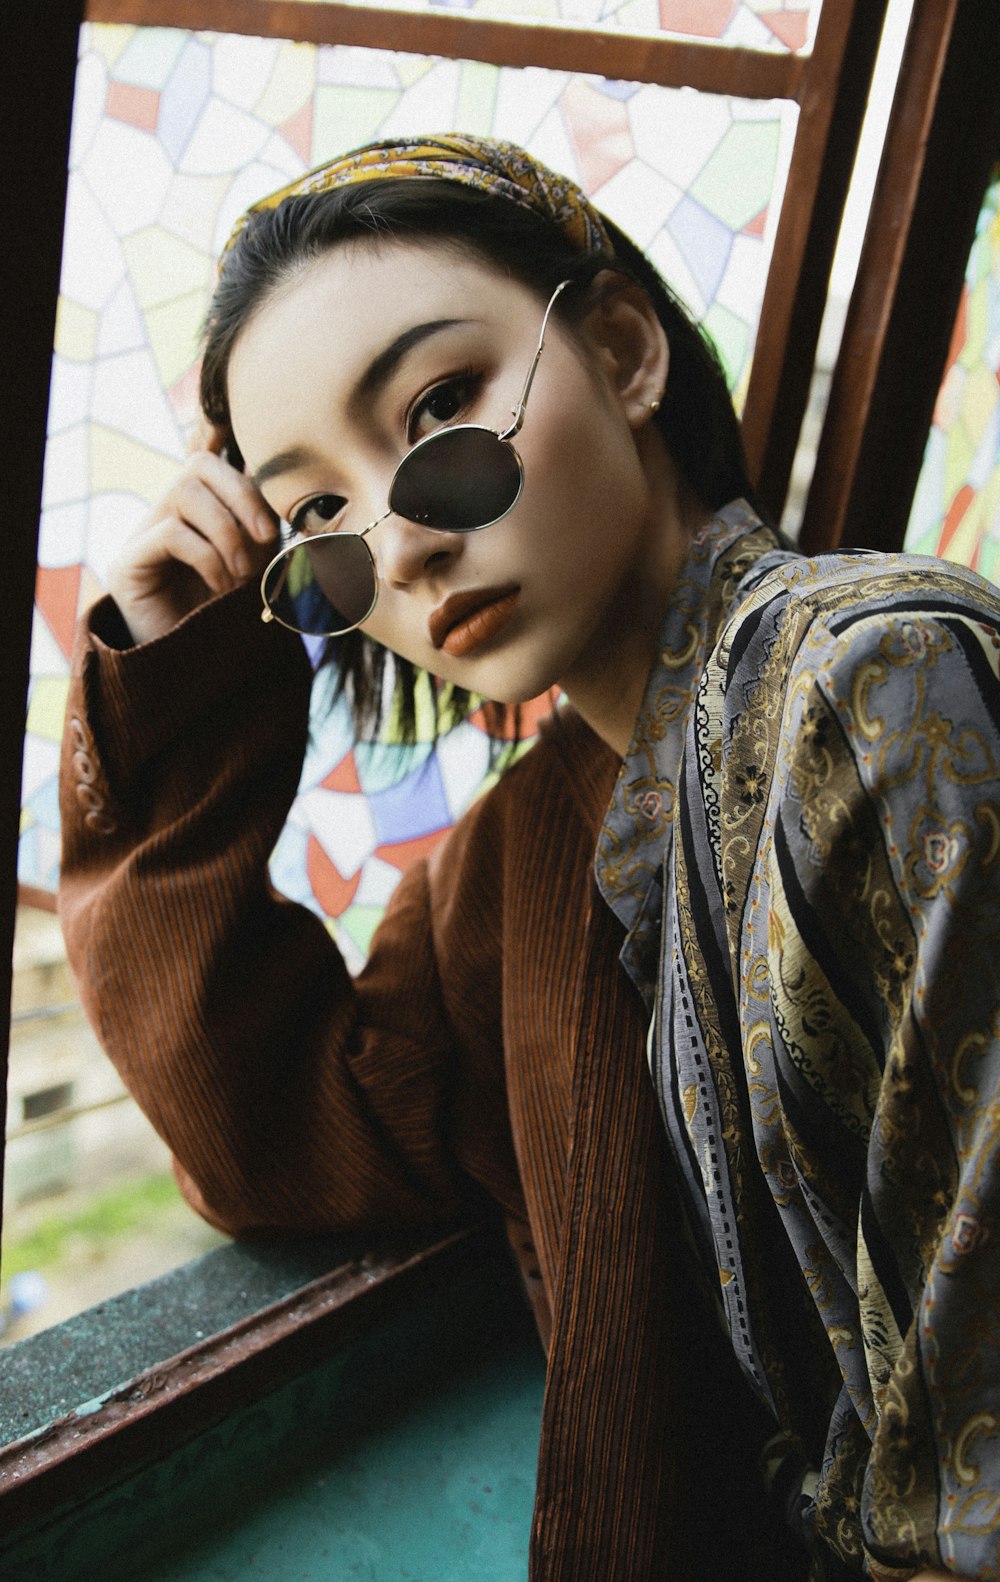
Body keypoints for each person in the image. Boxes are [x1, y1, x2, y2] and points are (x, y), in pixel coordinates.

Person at [57, 135, 999, 1581]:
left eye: (441, 408)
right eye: (317, 520)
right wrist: (181, 684)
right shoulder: (519, 862)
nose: (406, 542)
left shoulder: (881, 684)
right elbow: (275, 1133)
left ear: (623, 349)